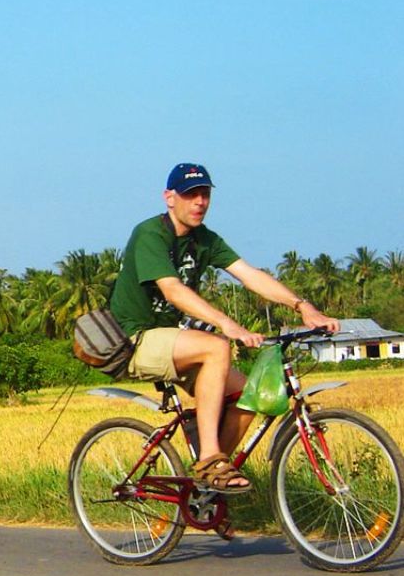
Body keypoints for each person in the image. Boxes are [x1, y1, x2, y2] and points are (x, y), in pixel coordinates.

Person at [109, 163, 339, 493]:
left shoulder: (205, 240)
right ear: (169, 198)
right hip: (136, 338)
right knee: (216, 346)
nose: (199, 202)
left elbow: (249, 275)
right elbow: (173, 289)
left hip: (174, 340)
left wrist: (304, 307)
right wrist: (227, 324)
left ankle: (209, 479)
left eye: (204, 194)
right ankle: (210, 456)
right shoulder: (150, 234)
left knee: (252, 395)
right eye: (190, 195)